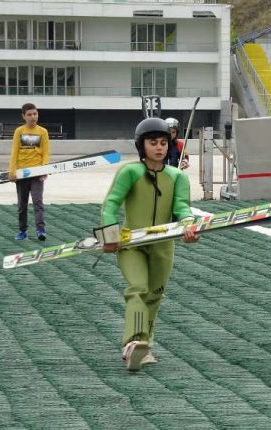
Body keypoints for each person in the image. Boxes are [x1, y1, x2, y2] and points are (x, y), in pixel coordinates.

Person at [96, 117, 199, 372]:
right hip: (132, 243)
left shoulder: (177, 177)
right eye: (153, 143)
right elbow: (111, 203)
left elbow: (181, 208)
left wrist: (189, 226)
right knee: (138, 289)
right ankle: (133, 343)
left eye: (163, 142)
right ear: (142, 145)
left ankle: (146, 346)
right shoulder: (130, 172)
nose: (159, 147)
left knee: (155, 295)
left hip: (163, 245)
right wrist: (109, 235)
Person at [8, 103, 50, 241]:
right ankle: (22, 231)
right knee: (22, 205)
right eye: (30, 114)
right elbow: (14, 152)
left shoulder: (43, 131)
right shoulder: (19, 131)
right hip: (21, 174)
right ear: (24, 116)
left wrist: (45, 171)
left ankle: (40, 230)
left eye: (35, 114)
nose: (33, 117)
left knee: (38, 202)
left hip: (37, 174)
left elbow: (45, 153)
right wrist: (12, 172)